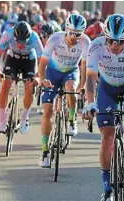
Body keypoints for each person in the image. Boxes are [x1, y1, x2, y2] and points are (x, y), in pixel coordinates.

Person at [82, 14, 124, 201]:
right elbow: (90, 78)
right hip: (106, 87)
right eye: (110, 40)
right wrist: (90, 103)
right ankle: (107, 189)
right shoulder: (96, 45)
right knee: (107, 138)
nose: (113, 45)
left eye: (119, 41)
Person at [38, 14, 90, 168]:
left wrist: (83, 85)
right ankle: (45, 151)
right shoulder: (55, 38)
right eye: (72, 32)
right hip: (52, 73)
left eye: (78, 34)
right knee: (47, 112)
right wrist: (42, 80)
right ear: (66, 29)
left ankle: (72, 120)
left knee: (71, 88)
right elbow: (42, 63)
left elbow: (84, 66)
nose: (74, 37)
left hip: (70, 72)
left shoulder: (86, 42)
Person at [0, 21, 43, 134]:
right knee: (5, 85)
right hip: (13, 59)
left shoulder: (34, 38)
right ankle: (1, 121)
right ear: (14, 36)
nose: (20, 44)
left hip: (29, 60)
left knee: (30, 87)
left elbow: (42, 61)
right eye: (18, 42)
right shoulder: (8, 34)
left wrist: (38, 77)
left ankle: (24, 118)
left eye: (24, 42)